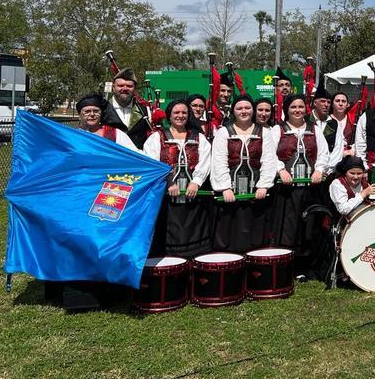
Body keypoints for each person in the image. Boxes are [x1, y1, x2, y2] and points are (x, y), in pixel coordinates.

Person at [269, 94, 330, 276]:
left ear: (306, 109)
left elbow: (323, 153)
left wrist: (319, 170)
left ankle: (307, 265)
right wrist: (281, 170)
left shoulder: (314, 129)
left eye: (301, 107)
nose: (297, 110)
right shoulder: (277, 130)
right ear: (286, 110)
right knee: (288, 226)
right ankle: (287, 265)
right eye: (293, 107)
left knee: (309, 226)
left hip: (310, 188)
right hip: (287, 190)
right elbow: (270, 154)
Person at [143, 99, 213, 258]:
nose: (180, 116)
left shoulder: (198, 137)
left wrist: (196, 182)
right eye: (176, 112)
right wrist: (168, 182)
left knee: (194, 236)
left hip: (194, 198)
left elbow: (205, 160)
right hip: (167, 198)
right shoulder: (157, 137)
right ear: (169, 116)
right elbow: (152, 162)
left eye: (184, 113)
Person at [210, 94, 277, 253]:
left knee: (255, 230)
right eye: (239, 108)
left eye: (247, 108)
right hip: (231, 193)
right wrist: (225, 187)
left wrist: (264, 185)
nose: (244, 111)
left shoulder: (264, 132)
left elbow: (269, 159)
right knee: (230, 230)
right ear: (233, 111)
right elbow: (219, 160)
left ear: (253, 111)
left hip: (256, 192)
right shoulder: (224, 132)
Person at [102, 67, 151, 148]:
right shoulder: (102, 109)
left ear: (135, 88)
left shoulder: (146, 111)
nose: (124, 89)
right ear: (113, 87)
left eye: (129, 86)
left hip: (136, 158)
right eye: (120, 85)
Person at [307, 80, 344, 177]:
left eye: (328, 102)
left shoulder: (334, 124)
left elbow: (338, 149)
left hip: (327, 173)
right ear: (315, 103)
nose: (326, 105)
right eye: (323, 101)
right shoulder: (305, 121)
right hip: (307, 169)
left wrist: (325, 169)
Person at [331, 91, 355, 156]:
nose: (340, 104)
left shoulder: (353, 121)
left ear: (347, 105)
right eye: (337, 101)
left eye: (343, 101)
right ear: (332, 104)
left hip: (349, 157)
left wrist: (352, 150)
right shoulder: (326, 120)